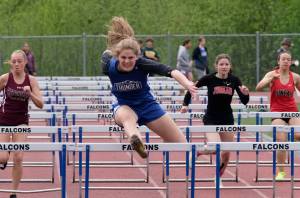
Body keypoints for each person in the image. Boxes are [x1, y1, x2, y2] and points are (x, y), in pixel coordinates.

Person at [101, 16, 197, 159]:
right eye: (123, 58)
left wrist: (187, 84)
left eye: (131, 58)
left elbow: (171, 71)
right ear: (117, 56)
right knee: (128, 118)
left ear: (137, 57)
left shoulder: (143, 63)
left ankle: (208, 176)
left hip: (148, 106)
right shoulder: (108, 64)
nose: (127, 61)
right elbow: (106, 54)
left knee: (183, 144)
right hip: (123, 107)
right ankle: (136, 140)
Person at [181, 54, 249, 182]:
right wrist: (185, 105)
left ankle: (218, 178)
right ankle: (198, 152)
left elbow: (244, 101)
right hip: (211, 118)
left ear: (230, 66)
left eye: (226, 64)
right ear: (216, 66)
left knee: (226, 153)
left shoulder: (234, 80)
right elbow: (191, 89)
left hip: (227, 119)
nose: (224, 67)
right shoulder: (209, 78)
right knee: (215, 147)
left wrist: (246, 93)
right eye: (221, 64)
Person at [0, 50, 43, 198]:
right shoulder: (5, 79)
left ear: (25, 63)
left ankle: (13, 192)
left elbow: (41, 104)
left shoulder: (31, 81)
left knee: (18, 157)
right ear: (10, 63)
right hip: (4, 121)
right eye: (14, 61)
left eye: (19, 61)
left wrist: (30, 93)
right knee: (3, 158)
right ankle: (4, 156)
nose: (16, 64)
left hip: (21, 123)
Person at [256, 51, 300, 180]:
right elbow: (258, 87)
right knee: (281, 141)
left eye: (288, 59)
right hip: (277, 113)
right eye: (283, 59)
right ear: (278, 61)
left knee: (298, 134)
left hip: (292, 111)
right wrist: (270, 80)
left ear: (291, 62)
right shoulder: (271, 74)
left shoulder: (296, 77)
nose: (286, 61)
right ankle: (281, 171)